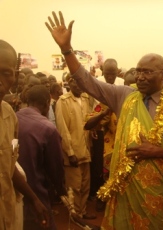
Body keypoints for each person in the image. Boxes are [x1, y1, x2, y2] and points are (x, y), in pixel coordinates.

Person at [45, 11, 163, 229]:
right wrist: (66, 50)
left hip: (158, 191)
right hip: (124, 186)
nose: (141, 76)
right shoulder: (124, 96)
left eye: (148, 72)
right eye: (138, 71)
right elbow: (88, 83)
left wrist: (157, 152)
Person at [0, 39, 49, 230]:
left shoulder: (10, 116)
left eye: (5, 73)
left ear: (15, 76)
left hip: (7, 213)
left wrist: (34, 199)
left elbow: (10, 162)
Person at [16, 85, 67, 230]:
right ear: (47, 102)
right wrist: (61, 189)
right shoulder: (48, 129)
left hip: (14, 192)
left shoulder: (13, 118)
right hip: (36, 194)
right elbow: (56, 169)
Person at [55, 73, 95, 220]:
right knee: (74, 186)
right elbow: (62, 129)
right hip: (73, 152)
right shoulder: (63, 101)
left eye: (80, 82)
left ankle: (82, 211)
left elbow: (89, 122)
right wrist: (70, 153)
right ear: (69, 84)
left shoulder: (85, 99)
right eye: (74, 82)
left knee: (85, 185)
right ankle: (75, 214)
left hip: (86, 150)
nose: (78, 86)